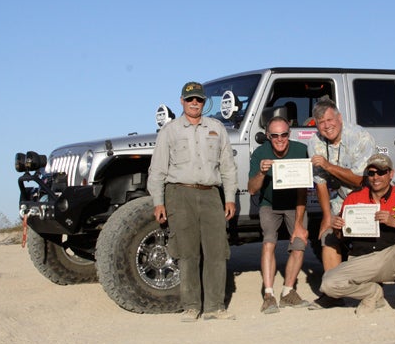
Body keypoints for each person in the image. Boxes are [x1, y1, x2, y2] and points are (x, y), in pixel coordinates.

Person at [147, 81, 238, 322]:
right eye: (190, 100)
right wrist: (159, 201)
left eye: (198, 99)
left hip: (210, 194)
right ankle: (191, 306)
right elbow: (157, 169)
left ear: (204, 102)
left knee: (217, 251)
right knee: (187, 252)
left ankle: (215, 306)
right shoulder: (170, 131)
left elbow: (228, 167)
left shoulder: (217, 128)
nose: (194, 103)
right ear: (182, 101)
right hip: (179, 194)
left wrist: (229, 198)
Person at [319, 154, 395, 316]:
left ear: (391, 174)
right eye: (371, 173)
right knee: (328, 284)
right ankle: (372, 293)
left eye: (381, 172)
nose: (375, 177)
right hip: (361, 259)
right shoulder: (354, 198)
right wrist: (337, 228)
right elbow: (341, 237)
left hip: (391, 258)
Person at [307, 98, 375, 308]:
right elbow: (320, 182)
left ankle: (368, 289)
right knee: (328, 236)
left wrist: (327, 165)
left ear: (340, 118)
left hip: (368, 195)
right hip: (341, 197)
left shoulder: (360, 136)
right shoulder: (315, 142)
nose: (326, 125)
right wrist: (327, 216)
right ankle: (332, 292)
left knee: (364, 239)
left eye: (329, 119)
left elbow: (359, 179)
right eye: (321, 122)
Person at [248, 116, 311, 314]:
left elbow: (303, 190)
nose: (280, 139)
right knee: (269, 242)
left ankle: (288, 292)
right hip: (270, 203)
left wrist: (299, 223)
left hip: (295, 203)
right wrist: (260, 172)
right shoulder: (260, 153)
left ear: (289, 134)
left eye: (284, 134)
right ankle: (268, 295)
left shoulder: (300, 150)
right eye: (275, 135)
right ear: (268, 136)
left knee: (299, 242)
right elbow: (251, 189)